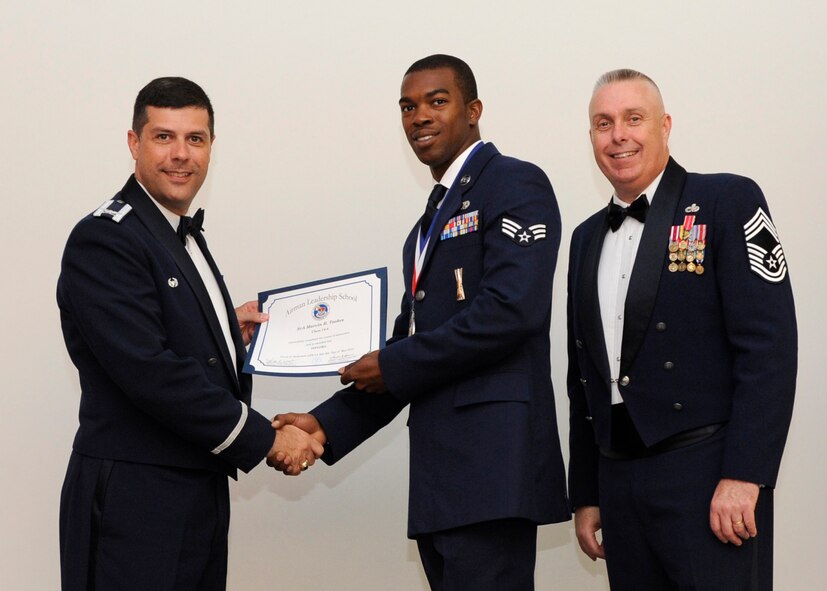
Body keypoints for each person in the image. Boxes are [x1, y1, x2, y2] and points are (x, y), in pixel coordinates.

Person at [273, 54, 569, 591]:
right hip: (441, 484)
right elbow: (412, 353)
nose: (420, 117)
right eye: (408, 107)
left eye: (437, 101)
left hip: (492, 475)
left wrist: (391, 362)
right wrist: (324, 425)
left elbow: (510, 310)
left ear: (473, 110)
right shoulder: (424, 229)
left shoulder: (515, 183)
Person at [57, 76, 324, 591]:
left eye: (195, 139)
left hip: (192, 490)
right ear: (134, 143)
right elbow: (150, 371)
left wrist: (224, 333)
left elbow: (165, 331)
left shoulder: (176, 232)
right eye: (164, 137)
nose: (181, 155)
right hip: (134, 501)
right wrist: (266, 438)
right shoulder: (104, 238)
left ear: (211, 148)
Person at [566, 69, 797, 590]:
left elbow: (769, 349)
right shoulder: (583, 239)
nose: (617, 135)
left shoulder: (726, 202)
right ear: (591, 139)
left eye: (633, 118)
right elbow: (580, 375)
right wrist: (587, 492)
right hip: (618, 481)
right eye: (603, 124)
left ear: (665, 126)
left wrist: (746, 474)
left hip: (708, 476)